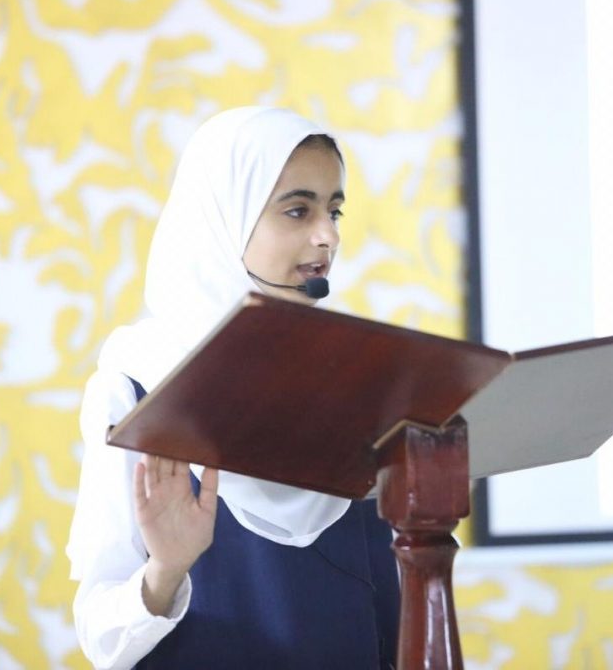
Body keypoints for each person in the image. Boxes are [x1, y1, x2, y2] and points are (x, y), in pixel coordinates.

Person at [67, 107, 400, 669]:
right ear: (223, 219)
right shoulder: (138, 382)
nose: (328, 236)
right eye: (297, 210)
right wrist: (166, 570)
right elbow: (101, 638)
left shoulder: (358, 378)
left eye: (334, 211)